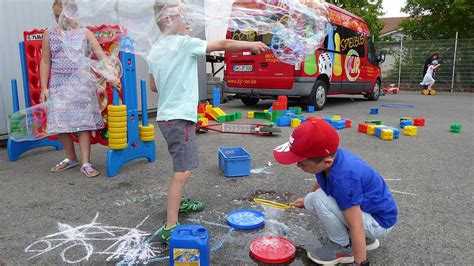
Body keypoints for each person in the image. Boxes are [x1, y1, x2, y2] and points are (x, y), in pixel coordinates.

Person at [147, 2, 267, 243]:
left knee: (180, 165)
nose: (189, 21)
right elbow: (223, 45)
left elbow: (153, 86)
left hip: (166, 116)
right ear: (169, 20)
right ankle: (171, 224)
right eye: (183, 16)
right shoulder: (184, 44)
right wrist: (251, 44)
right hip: (180, 117)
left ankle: (180, 202)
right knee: (183, 172)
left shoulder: (154, 51)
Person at [273, 119, 398, 265]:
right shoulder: (329, 159)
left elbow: (356, 224)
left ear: (326, 162)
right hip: (371, 213)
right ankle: (365, 240)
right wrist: (306, 198)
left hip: (379, 223)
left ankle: (343, 247)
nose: (298, 165)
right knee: (311, 200)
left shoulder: (343, 180)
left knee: (319, 199)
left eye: (302, 163)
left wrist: (361, 263)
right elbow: (321, 180)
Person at [40, 0, 120, 177]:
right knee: (61, 123)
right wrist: (44, 87)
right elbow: (45, 61)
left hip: (81, 84)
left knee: (83, 124)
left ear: (73, 14)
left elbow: (101, 56)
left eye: (62, 16)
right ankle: (70, 158)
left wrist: (112, 76)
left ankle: (86, 161)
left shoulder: (85, 33)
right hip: (58, 84)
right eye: (55, 16)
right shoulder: (49, 33)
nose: (58, 20)